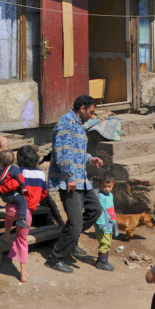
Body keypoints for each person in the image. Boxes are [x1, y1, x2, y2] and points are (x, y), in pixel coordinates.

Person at [45, 95, 104, 273]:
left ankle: (71, 239)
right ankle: (55, 258)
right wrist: (69, 176)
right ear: (83, 108)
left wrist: (90, 159)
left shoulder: (79, 125)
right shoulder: (66, 123)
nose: (92, 116)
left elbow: (77, 151)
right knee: (76, 223)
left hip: (81, 179)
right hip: (69, 181)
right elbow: (62, 152)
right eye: (91, 112)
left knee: (95, 210)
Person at [2, 145, 49, 283]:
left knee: (9, 214)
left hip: (11, 209)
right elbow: (44, 193)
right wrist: (35, 200)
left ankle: (6, 234)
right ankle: (23, 274)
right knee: (22, 240)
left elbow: (8, 186)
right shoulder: (41, 174)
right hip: (27, 212)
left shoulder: (17, 172)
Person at [0, 150, 29, 229]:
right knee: (23, 201)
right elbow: (20, 178)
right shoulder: (13, 169)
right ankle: (21, 219)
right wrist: (23, 187)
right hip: (12, 194)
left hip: (4, 196)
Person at [94, 174, 119, 272]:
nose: (107, 189)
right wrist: (102, 225)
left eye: (109, 186)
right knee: (105, 243)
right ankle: (102, 262)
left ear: (113, 185)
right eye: (104, 186)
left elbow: (111, 210)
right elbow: (99, 212)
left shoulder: (110, 195)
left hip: (109, 224)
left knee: (107, 243)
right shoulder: (100, 196)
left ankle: (101, 260)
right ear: (100, 185)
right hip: (103, 225)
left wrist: (114, 224)